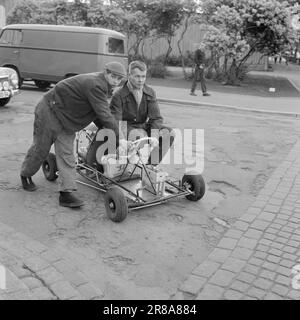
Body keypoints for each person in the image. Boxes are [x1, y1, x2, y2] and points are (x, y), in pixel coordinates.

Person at [20, 61, 130, 208]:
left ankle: (65, 194)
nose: (116, 81)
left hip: (67, 119)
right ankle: (26, 174)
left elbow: (97, 113)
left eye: (119, 79)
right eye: (114, 77)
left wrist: (109, 133)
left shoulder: (105, 88)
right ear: (106, 73)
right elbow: (104, 114)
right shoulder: (96, 84)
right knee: (41, 148)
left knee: (67, 156)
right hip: (49, 110)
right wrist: (120, 138)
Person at [86, 60, 174, 167]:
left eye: (143, 76)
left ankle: (150, 167)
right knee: (136, 135)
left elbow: (156, 118)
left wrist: (154, 135)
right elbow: (116, 121)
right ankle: (122, 161)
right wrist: (123, 140)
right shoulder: (118, 94)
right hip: (125, 127)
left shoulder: (150, 92)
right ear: (129, 76)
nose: (141, 80)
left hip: (142, 126)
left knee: (169, 133)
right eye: (137, 76)